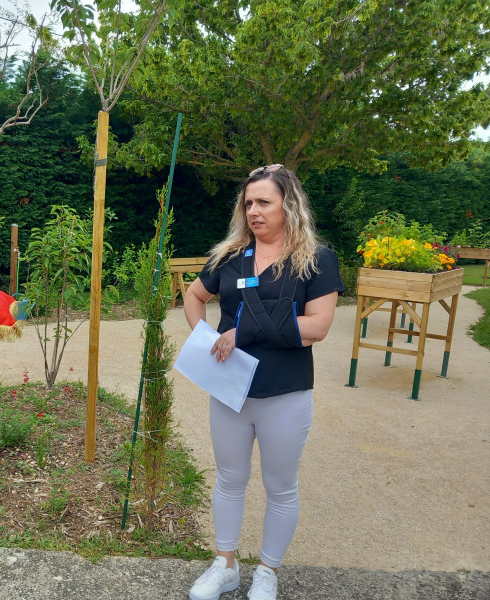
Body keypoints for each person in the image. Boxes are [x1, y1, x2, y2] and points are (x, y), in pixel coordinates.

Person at [183, 164, 344, 600]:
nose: (254, 211)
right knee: (229, 479)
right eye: (248, 203)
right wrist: (206, 341)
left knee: (280, 485)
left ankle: (267, 572)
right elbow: (193, 295)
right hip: (231, 390)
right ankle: (226, 565)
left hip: (285, 391)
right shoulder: (230, 257)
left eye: (264, 202)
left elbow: (318, 326)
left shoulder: (316, 260)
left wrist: (243, 333)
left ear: (288, 205)